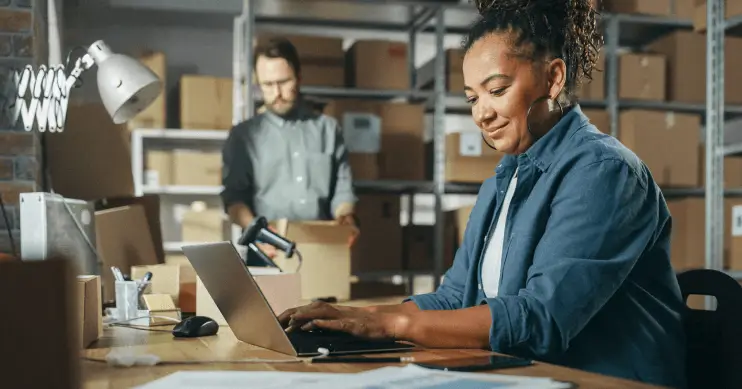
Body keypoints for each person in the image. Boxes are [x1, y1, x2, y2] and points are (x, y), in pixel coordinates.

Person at [276, 1, 687, 388]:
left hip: (607, 381)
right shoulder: (504, 179)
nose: (481, 113)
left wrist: (389, 325)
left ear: (553, 77)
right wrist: (356, 317)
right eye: (472, 97)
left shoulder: (604, 173)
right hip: (534, 375)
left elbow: (541, 319)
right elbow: (456, 297)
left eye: (497, 89)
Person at [221, 37, 358, 256]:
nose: (276, 93)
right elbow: (234, 199)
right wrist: (256, 230)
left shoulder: (328, 130)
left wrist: (345, 218)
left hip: (321, 249)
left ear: (299, 78)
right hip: (267, 250)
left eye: (284, 82)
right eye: (267, 84)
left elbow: (342, 190)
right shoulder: (243, 136)